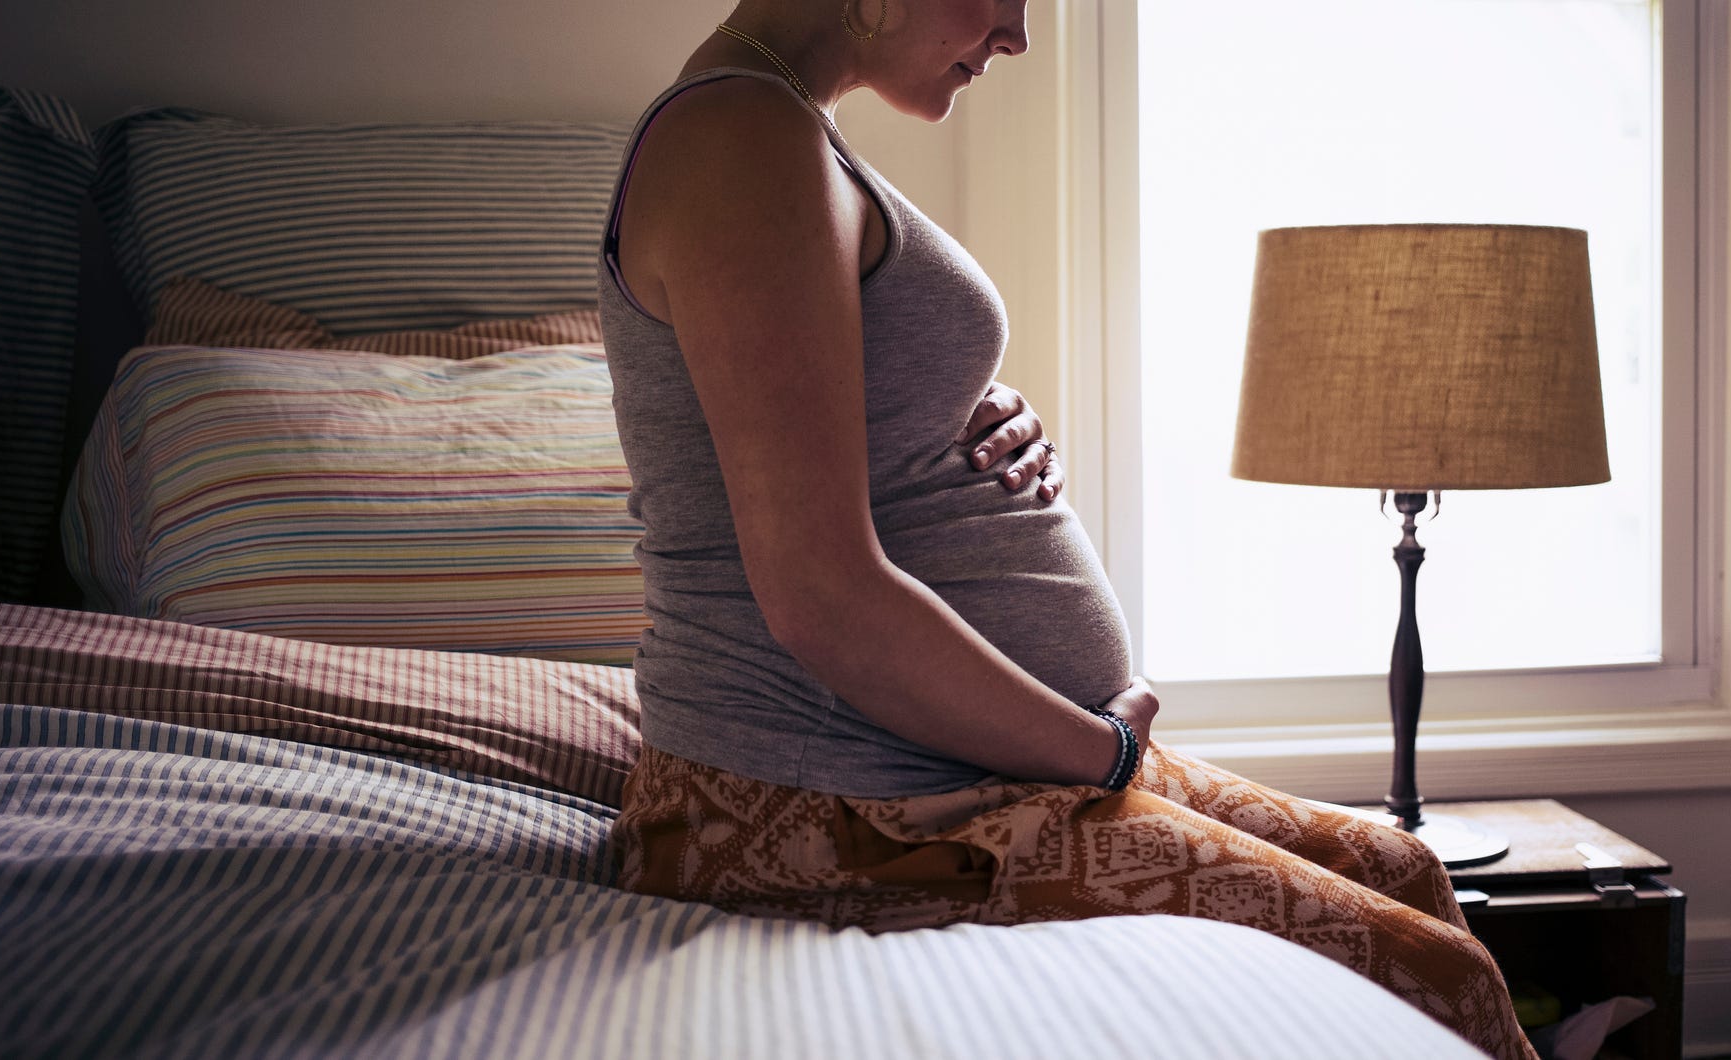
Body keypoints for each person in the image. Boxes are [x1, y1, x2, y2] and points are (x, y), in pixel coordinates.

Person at [597, 2, 1535, 1056]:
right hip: (831, 811)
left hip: (930, 769)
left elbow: (815, 422)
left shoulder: (776, 126)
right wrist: (1107, 750)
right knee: (1436, 974)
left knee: (1404, 866)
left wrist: (959, 409)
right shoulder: (738, 138)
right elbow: (819, 596)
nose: (1017, 36)